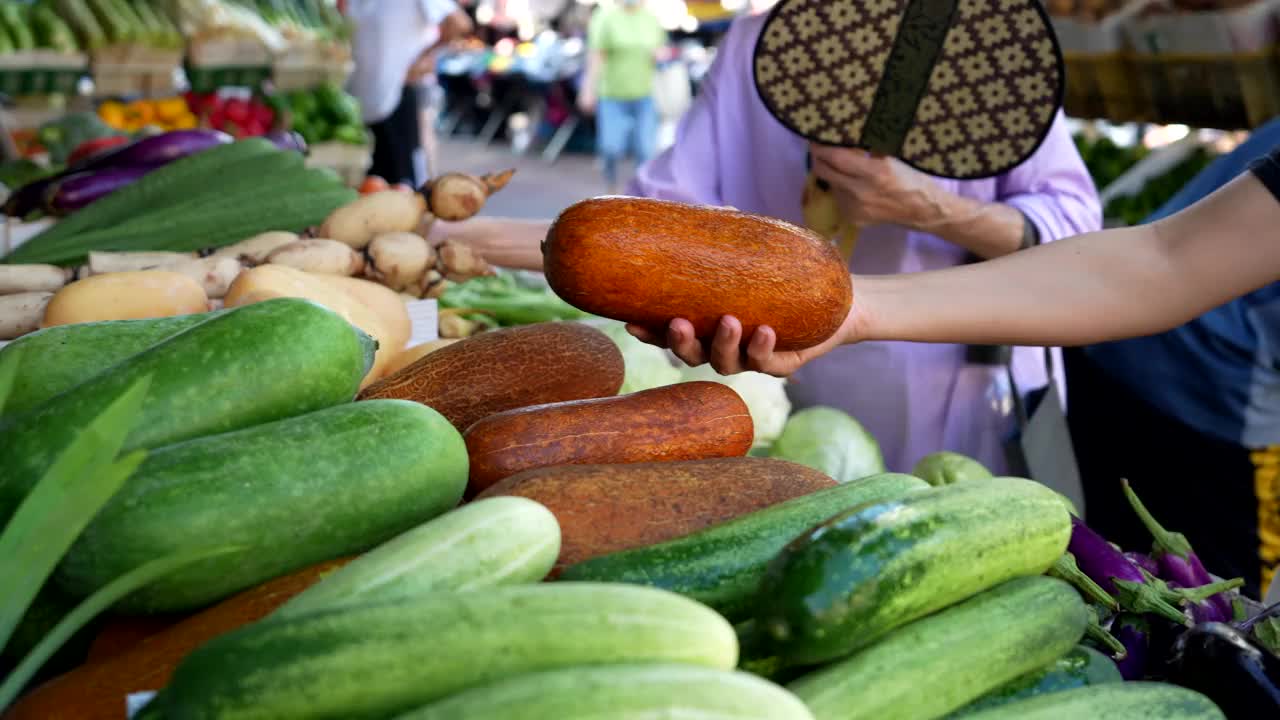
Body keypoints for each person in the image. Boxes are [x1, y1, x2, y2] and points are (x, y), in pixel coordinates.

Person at [434, 11, 1100, 476]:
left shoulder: (983, 48)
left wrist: (932, 208)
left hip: (967, 387)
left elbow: (1079, 232)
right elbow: (651, 225)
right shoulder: (758, 48)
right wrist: (460, 235)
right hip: (800, 373)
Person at [635, 142, 1280, 596]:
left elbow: (1095, 230)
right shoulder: (754, 50)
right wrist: (850, 308)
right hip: (828, 377)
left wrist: (923, 206)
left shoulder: (1000, 49)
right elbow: (1165, 260)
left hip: (986, 402)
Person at [346, 0, 474, 187]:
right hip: (362, 102)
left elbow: (459, 23)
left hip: (398, 95)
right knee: (371, 183)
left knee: (403, 184)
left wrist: (424, 56)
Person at [578, 0, 668, 193]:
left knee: (646, 150)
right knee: (611, 148)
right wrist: (588, 90)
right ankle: (610, 186)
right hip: (612, 95)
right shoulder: (605, 16)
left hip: (644, 95)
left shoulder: (651, 18)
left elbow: (661, 51)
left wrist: (661, 55)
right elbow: (595, 57)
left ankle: (641, 196)